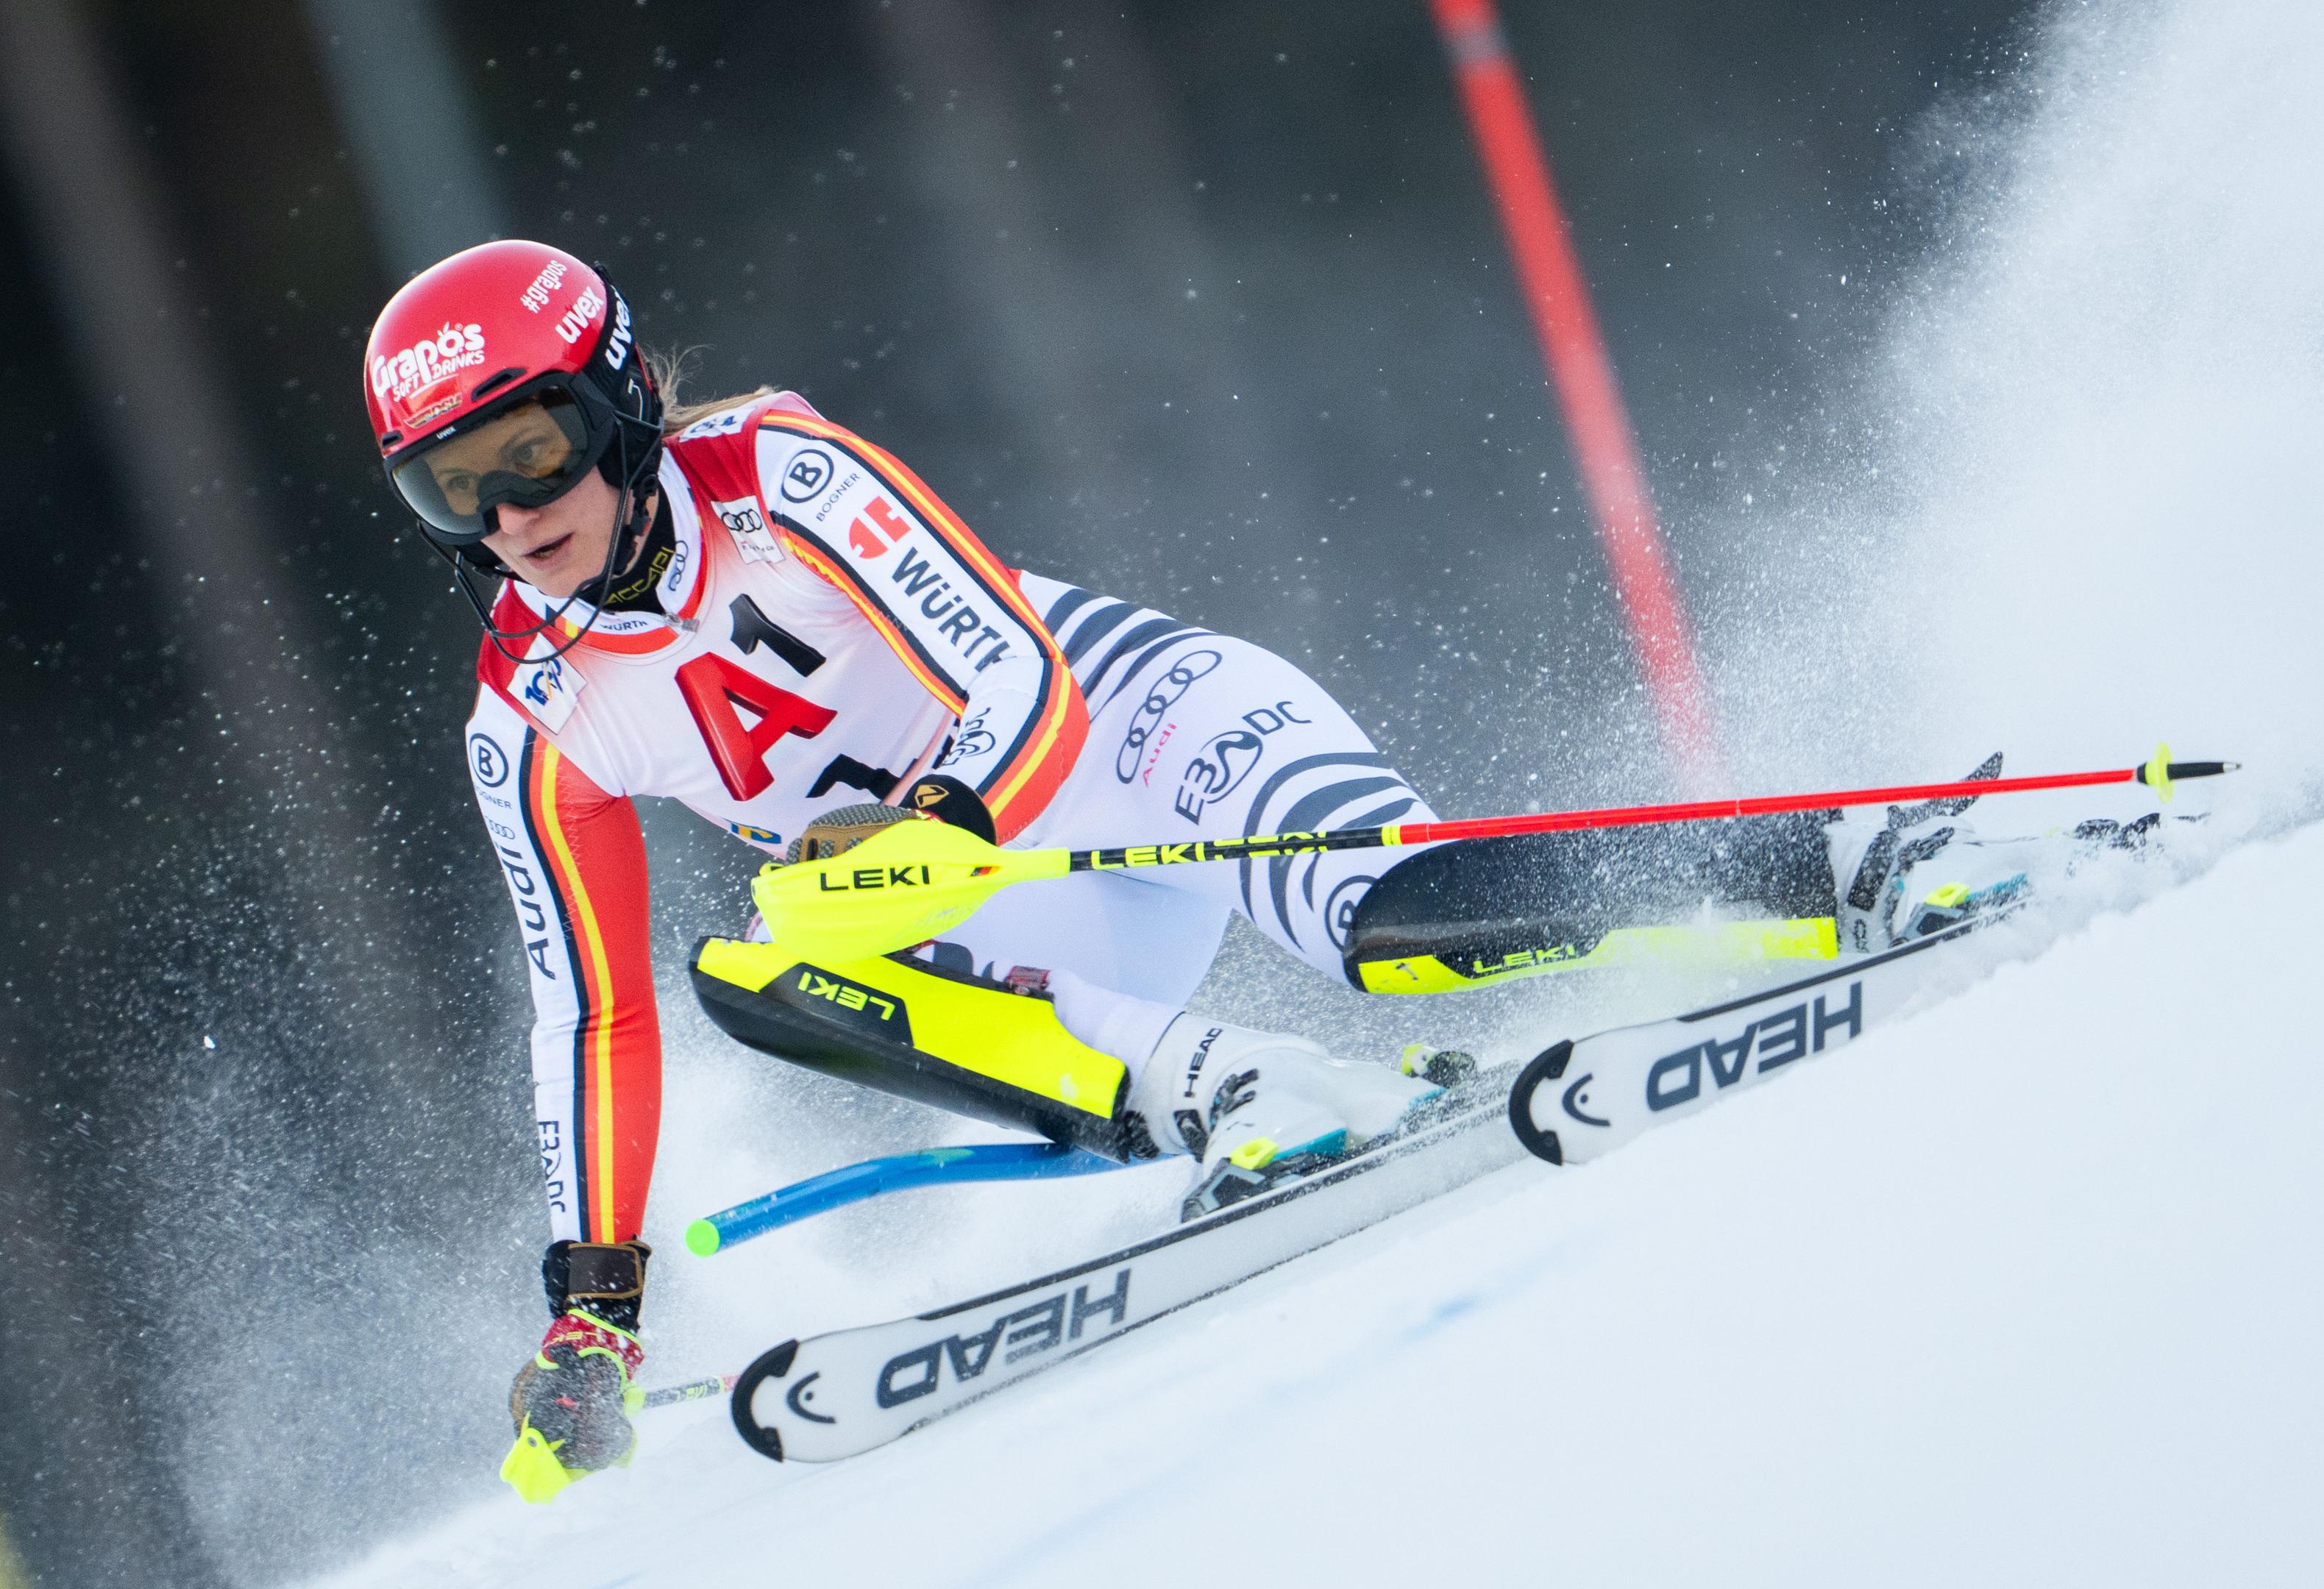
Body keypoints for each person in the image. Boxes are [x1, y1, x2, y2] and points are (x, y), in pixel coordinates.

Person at [360, 240, 2060, 1499]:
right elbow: (587, 1021)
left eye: (535, 447)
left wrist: (942, 823)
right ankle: (1244, 1089)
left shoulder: (784, 477)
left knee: (1392, 919)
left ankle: (1843, 860)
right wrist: (597, 1308)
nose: (513, 513)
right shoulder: (532, 717)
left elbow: (1015, 668)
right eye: (457, 487)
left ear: (624, 400)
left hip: (1131, 741)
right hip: (1005, 917)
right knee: (756, 969)